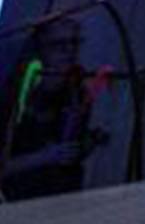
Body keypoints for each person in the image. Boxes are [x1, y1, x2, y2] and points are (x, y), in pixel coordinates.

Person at [0, 17, 98, 201]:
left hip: (59, 203)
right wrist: (43, 157)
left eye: (74, 44)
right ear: (39, 49)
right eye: (59, 45)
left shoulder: (75, 92)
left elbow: (70, 148)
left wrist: (82, 146)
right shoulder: (10, 95)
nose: (69, 53)